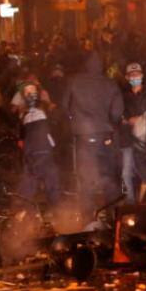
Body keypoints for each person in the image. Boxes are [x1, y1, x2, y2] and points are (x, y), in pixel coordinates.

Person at [60, 51, 122, 220]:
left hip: (83, 138)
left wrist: (75, 120)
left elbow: (64, 107)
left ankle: (88, 220)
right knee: (109, 178)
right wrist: (107, 123)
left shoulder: (74, 81)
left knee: (85, 180)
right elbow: (117, 113)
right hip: (105, 138)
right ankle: (115, 218)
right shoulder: (110, 84)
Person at [120, 62, 146, 200]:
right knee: (126, 173)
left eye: (137, 74)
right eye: (131, 75)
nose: (134, 77)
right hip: (128, 139)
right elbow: (118, 115)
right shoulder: (123, 96)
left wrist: (141, 119)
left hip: (145, 140)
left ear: (142, 75)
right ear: (127, 77)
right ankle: (130, 205)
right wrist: (127, 120)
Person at [18, 80, 60, 205]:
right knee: (28, 186)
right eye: (27, 91)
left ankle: (57, 212)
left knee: (51, 182)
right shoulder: (24, 113)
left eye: (32, 90)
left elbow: (57, 125)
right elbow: (22, 134)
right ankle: (24, 214)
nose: (30, 93)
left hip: (45, 150)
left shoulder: (46, 107)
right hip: (31, 153)